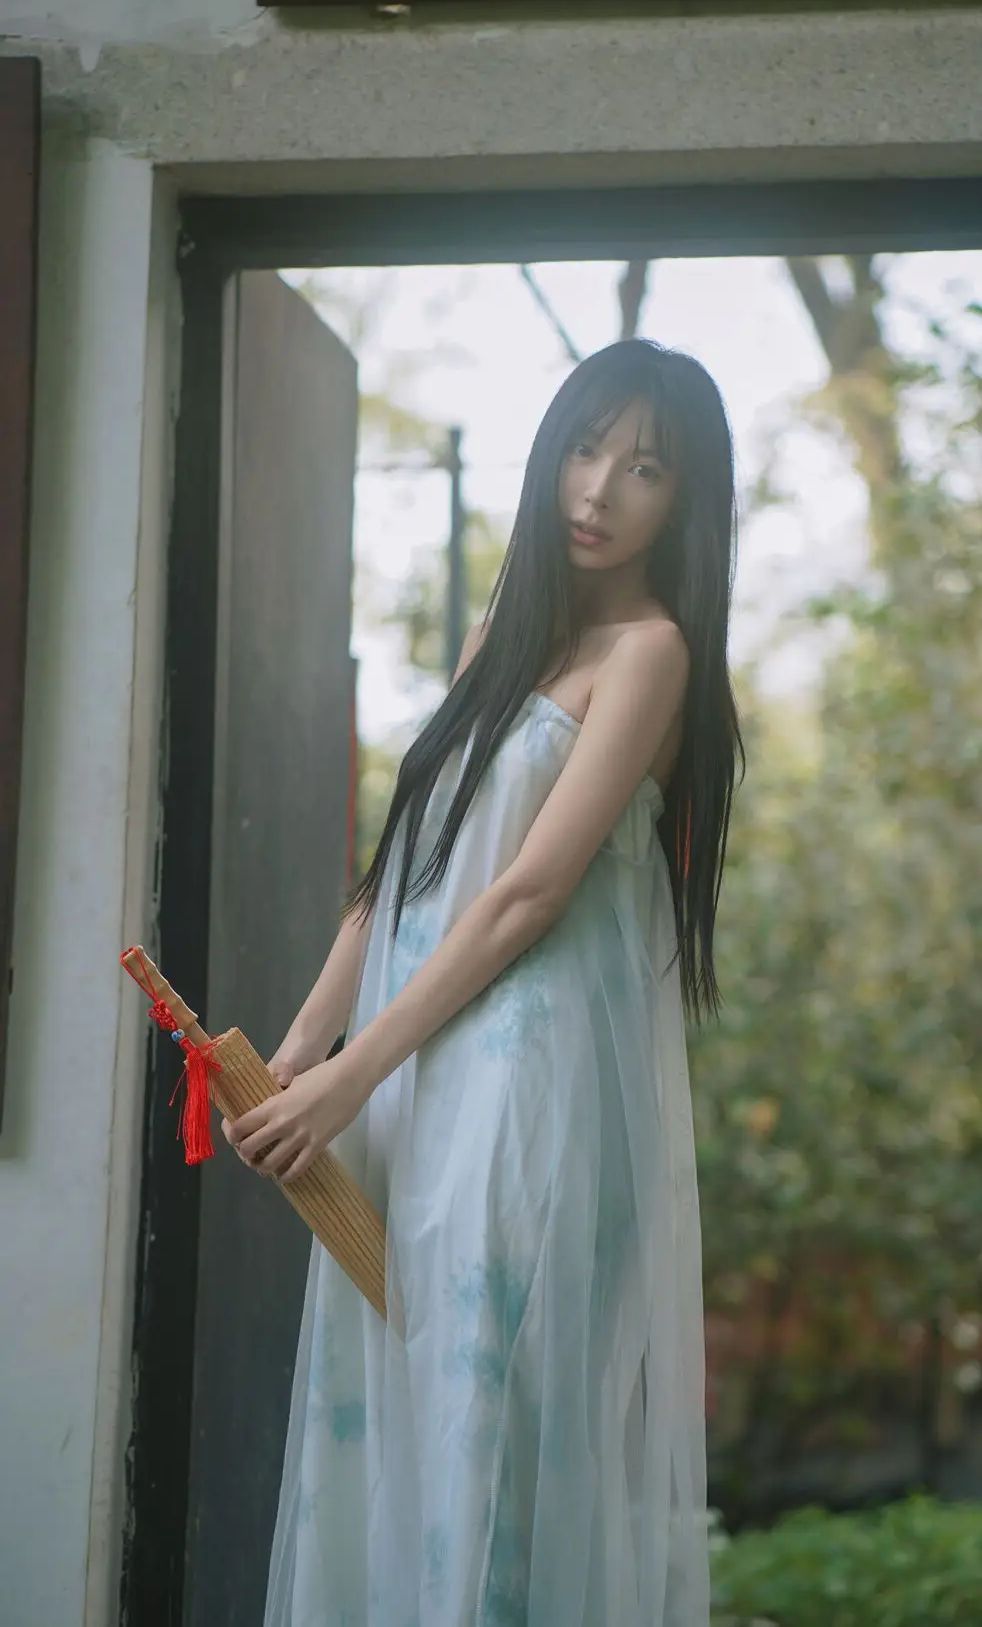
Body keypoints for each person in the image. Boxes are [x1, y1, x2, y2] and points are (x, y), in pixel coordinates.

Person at [225, 338, 743, 1627]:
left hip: (531, 1093)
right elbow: (407, 863)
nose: (599, 490)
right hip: (411, 1074)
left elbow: (527, 894)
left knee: (486, 1437)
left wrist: (350, 1075)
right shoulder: (496, 641)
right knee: (386, 1417)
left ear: (684, 499)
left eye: (644, 469)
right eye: (586, 449)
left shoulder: (651, 654)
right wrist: (300, 1046)